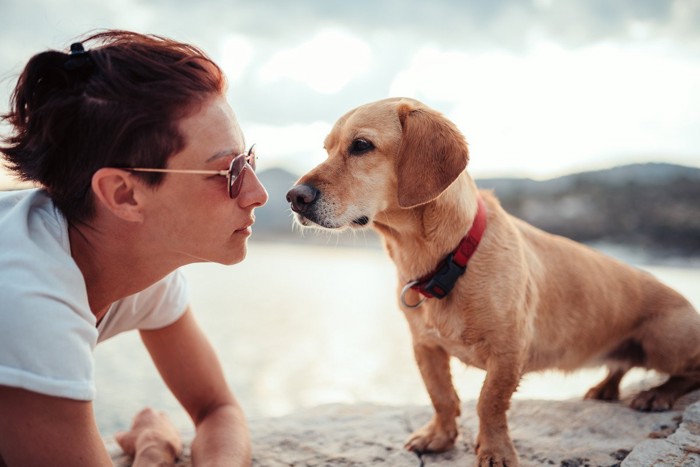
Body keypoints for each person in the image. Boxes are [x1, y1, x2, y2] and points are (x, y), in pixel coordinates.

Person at [0, 30, 268, 466]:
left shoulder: (137, 261)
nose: (257, 193)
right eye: (228, 172)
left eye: (248, 161)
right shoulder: (26, 301)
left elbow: (217, 409)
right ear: (123, 195)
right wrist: (156, 448)